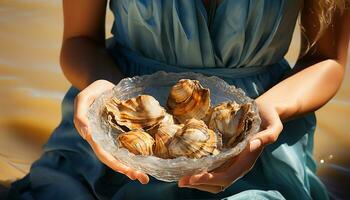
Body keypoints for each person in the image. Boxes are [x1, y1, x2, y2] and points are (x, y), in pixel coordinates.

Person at [9, 0, 349, 199]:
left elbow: (326, 58)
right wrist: (108, 94)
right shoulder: (114, 107)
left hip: (255, 138)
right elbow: (80, 39)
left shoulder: (258, 122)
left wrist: (266, 112)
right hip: (113, 129)